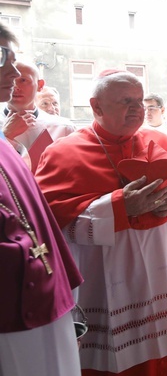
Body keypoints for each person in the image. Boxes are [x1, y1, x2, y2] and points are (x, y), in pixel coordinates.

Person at [35, 70, 167, 376]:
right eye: (126, 101)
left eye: (140, 101)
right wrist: (117, 207)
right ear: (96, 106)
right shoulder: (62, 153)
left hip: (165, 278)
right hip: (106, 285)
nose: (137, 109)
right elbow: (48, 219)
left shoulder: (159, 139)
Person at [0, 23, 83, 375]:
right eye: (3, 57)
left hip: (43, 294)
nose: (14, 72)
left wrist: (65, 281)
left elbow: (36, 216)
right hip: (14, 308)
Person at [1, 61, 76, 166]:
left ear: (40, 85)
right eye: (10, 80)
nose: (15, 86)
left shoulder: (63, 128)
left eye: (23, 80)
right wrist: (5, 135)